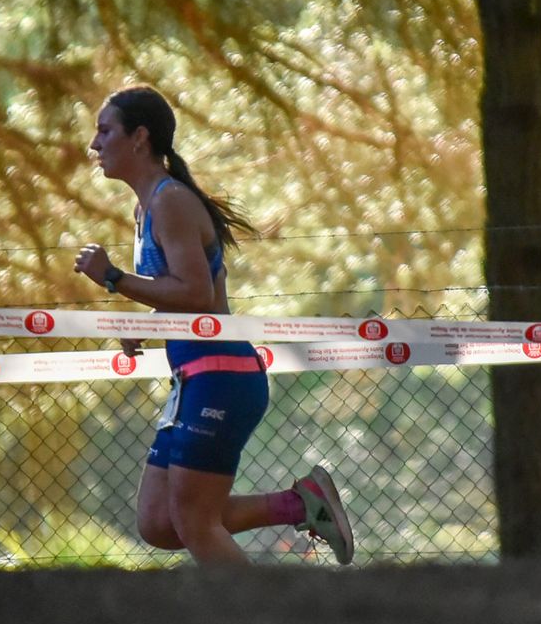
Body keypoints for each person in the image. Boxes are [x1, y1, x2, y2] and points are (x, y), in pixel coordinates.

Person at [74, 85, 355, 566]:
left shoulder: (171, 202)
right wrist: (144, 318)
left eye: (105, 131)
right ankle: (301, 503)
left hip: (221, 378)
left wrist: (116, 279)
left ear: (139, 138)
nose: (94, 144)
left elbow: (197, 296)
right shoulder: (146, 208)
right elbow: (185, 295)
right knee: (158, 523)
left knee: (195, 523)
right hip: (193, 380)